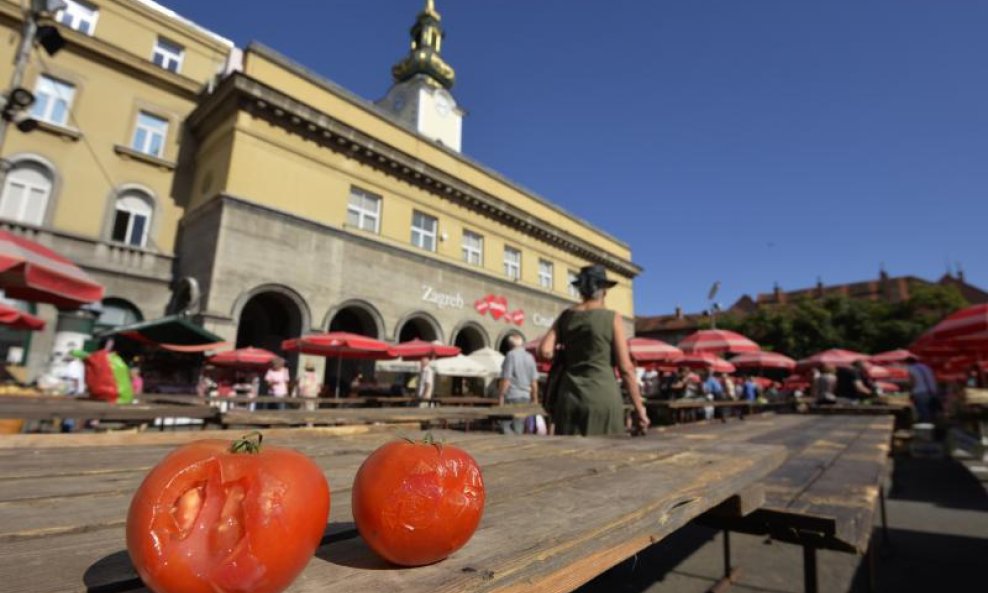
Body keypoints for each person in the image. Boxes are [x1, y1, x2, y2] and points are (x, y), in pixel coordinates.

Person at [538, 264, 649, 436]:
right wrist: (639, 409)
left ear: (580, 290)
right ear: (604, 290)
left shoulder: (566, 316)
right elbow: (625, 368)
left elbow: (544, 351)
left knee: (567, 459)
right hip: (602, 396)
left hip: (569, 397)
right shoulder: (612, 318)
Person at [497, 334, 539, 434]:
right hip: (525, 397)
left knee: (505, 425)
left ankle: (509, 446)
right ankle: (516, 446)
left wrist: (501, 395)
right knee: (519, 426)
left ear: (510, 345)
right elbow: (534, 381)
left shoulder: (511, 355)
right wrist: (535, 398)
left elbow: (506, 378)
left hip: (512, 396)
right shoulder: (530, 357)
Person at [906, 355, 940, 424]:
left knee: (923, 411)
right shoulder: (926, 367)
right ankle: (933, 427)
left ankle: (926, 428)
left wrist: (909, 390)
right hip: (932, 391)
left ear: (907, 362)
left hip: (919, 392)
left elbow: (912, 381)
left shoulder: (910, 368)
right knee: (931, 410)